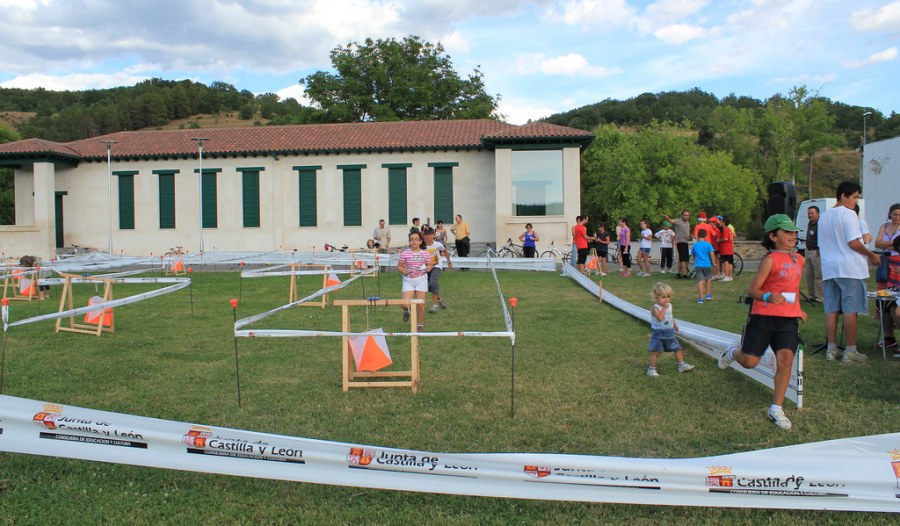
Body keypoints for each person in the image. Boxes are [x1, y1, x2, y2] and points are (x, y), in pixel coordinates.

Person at [718, 214, 807, 431]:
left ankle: (776, 408)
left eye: (794, 232)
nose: (793, 235)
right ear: (773, 236)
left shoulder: (799, 259)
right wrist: (768, 296)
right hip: (762, 317)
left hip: (787, 320)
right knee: (750, 362)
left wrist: (798, 309)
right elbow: (753, 290)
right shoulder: (770, 260)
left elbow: (792, 290)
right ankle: (733, 352)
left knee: (786, 360)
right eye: (787, 232)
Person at [817, 181, 882, 363]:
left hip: (830, 267)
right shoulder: (849, 214)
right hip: (849, 268)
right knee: (850, 309)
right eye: (854, 197)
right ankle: (850, 351)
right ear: (843, 196)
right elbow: (853, 242)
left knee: (831, 309)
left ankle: (831, 349)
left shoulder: (824, 216)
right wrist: (871, 255)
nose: (856, 201)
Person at [646, 282, 694, 377]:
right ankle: (651, 369)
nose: (666, 299)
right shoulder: (655, 308)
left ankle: (681, 365)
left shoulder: (669, 305)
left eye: (668, 297)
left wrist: (674, 324)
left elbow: (669, 316)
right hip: (659, 334)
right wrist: (664, 308)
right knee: (657, 352)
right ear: (656, 297)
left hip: (669, 333)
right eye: (663, 297)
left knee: (677, 348)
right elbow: (660, 317)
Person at [874, 203, 900, 350]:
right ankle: (888, 338)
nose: (897, 217)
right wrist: (893, 243)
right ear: (890, 214)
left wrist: (886, 244)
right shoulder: (884, 226)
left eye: (899, 215)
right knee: (882, 301)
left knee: (895, 302)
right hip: (884, 264)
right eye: (895, 214)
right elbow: (877, 243)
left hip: (897, 266)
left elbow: (895, 246)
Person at [397, 230, 433, 332]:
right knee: (405, 304)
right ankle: (407, 310)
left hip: (421, 280)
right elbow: (399, 266)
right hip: (408, 280)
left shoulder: (426, 254)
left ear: (420, 241)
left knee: (420, 305)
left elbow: (430, 264)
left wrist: (428, 268)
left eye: (416, 239)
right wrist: (403, 270)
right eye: (411, 239)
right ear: (409, 242)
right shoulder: (404, 253)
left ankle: (420, 325)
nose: (414, 242)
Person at [421, 225, 453, 313]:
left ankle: (434, 305)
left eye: (429, 234)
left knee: (432, 283)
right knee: (430, 287)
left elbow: (444, 251)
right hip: (426, 268)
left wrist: (449, 262)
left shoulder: (438, 245)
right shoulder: (422, 246)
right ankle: (440, 300)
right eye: (426, 235)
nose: (428, 237)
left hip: (436, 267)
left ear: (433, 235)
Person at [803, 206, 824, 302]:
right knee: (808, 274)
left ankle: (820, 297)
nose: (810, 215)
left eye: (812, 213)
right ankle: (811, 295)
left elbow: (822, 239)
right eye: (809, 214)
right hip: (808, 251)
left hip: (816, 252)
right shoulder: (810, 224)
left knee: (818, 275)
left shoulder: (820, 224)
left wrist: (820, 252)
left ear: (817, 214)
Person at [664, 209, 692, 278]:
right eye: (685, 215)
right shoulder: (678, 221)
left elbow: (688, 232)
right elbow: (672, 221)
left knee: (682, 259)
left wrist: (690, 236)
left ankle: (678, 274)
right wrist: (667, 218)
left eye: (688, 215)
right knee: (683, 259)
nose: (686, 217)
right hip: (681, 242)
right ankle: (684, 274)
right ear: (682, 215)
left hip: (686, 242)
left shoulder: (687, 223)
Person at [691, 229, 716, 303]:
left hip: (698, 265)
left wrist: (696, 259)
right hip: (707, 264)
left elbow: (693, 254)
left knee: (700, 281)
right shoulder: (708, 244)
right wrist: (714, 263)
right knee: (708, 279)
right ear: (705, 236)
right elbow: (712, 254)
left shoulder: (695, 245)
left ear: (698, 236)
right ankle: (708, 295)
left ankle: (700, 298)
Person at [716, 217, 735, 282]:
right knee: (730, 263)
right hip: (730, 248)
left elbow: (725, 239)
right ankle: (730, 276)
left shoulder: (725, 229)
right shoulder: (729, 229)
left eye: (721, 221)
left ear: (724, 222)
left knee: (726, 262)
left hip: (725, 248)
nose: (720, 222)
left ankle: (726, 276)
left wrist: (719, 241)